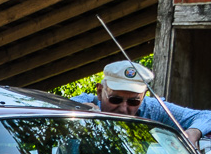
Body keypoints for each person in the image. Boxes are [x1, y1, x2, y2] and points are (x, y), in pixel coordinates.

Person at [72, 61, 211, 147]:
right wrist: (80, 111)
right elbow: (56, 106)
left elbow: (206, 116)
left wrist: (193, 132)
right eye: (115, 99)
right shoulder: (84, 103)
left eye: (133, 101)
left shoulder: (152, 109)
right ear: (99, 91)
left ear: (144, 96)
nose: (123, 108)